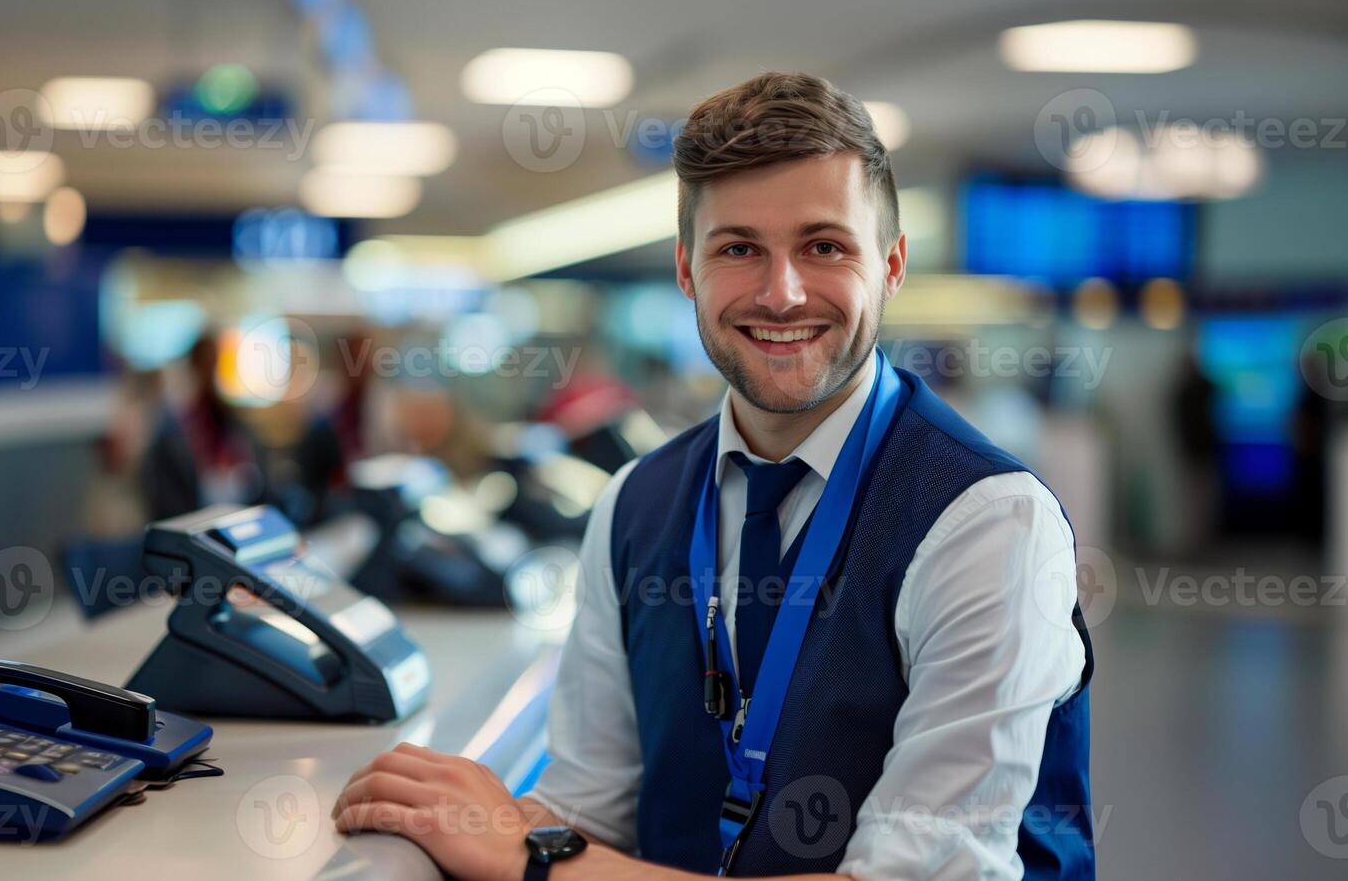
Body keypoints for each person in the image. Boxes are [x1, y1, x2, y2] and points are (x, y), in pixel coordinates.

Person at [331, 73, 1094, 880]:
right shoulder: (634, 506)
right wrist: (471, 820)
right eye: (738, 249)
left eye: (824, 246)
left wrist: (534, 861)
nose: (781, 292)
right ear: (687, 270)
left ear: (893, 265)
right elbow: (591, 809)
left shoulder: (987, 523)